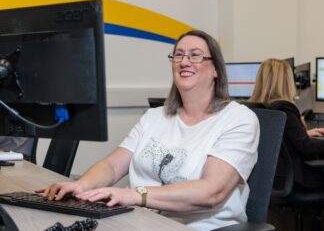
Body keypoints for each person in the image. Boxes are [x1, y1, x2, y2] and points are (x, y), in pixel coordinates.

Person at [37, 30, 259, 231]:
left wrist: (135, 194)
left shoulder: (238, 119)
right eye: (178, 55)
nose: (184, 61)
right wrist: (81, 186)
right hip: (140, 222)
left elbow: (211, 192)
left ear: (215, 70)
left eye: (195, 55)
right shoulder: (154, 117)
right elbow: (113, 166)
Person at [249, 58, 324, 189]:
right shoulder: (284, 108)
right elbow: (306, 147)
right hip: (297, 179)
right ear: (286, 81)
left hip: (272, 176)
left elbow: (277, 139)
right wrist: (304, 138)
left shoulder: (259, 107)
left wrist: (302, 133)